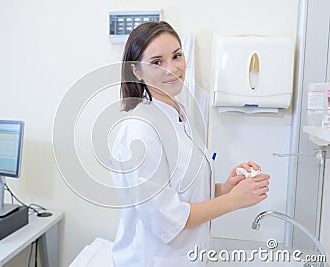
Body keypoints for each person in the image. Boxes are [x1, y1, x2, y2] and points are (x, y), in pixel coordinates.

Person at [110, 21, 270, 267]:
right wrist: (235, 200)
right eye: (157, 62)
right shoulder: (139, 131)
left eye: (177, 56)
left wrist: (225, 188)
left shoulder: (177, 112)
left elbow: (181, 190)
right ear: (136, 71)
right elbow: (165, 218)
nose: (172, 68)